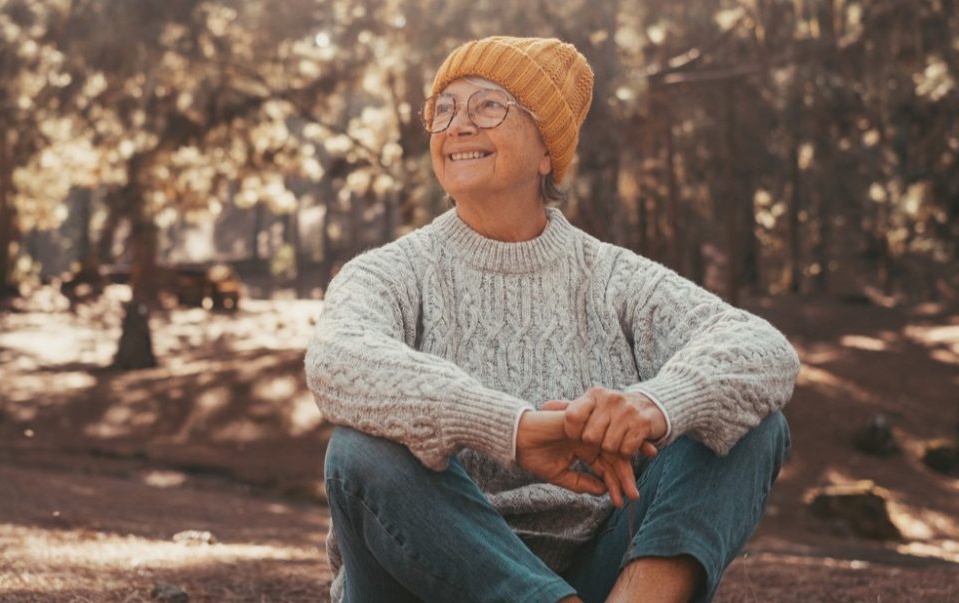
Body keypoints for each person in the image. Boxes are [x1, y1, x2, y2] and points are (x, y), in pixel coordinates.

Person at [305, 36, 799, 603]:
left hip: (592, 575)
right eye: (443, 110)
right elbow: (337, 361)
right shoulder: (390, 273)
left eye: (488, 105)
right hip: (420, 575)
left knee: (747, 424)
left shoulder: (613, 277)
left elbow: (762, 348)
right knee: (359, 451)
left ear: (547, 151)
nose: (457, 125)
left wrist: (656, 405)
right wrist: (510, 428)